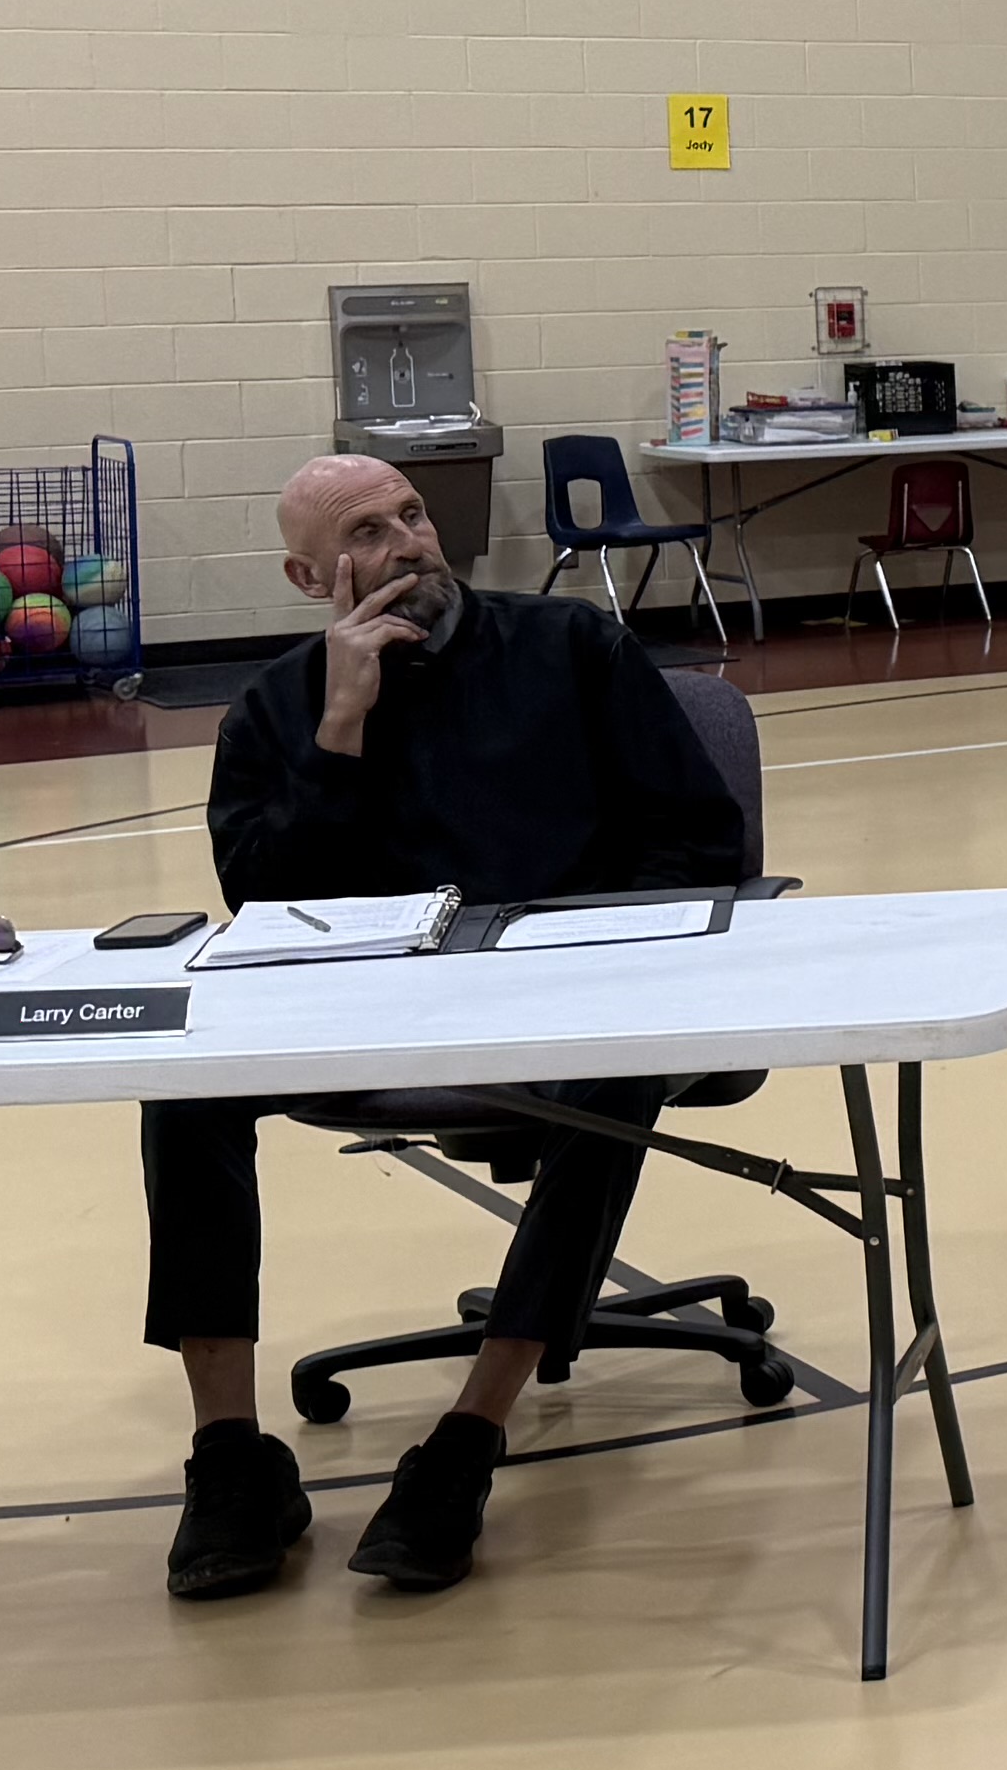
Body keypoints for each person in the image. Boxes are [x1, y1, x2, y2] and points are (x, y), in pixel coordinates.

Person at [153, 454, 751, 1601]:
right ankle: (231, 1457)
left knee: (613, 1077)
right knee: (184, 1081)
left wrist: (575, 951)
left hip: (562, 995)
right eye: (368, 534)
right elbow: (266, 905)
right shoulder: (277, 710)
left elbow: (698, 844)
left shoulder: (571, 650)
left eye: (412, 516)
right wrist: (341, 725)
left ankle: (468, 1438)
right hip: (363, 1005)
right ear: (307, 575)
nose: (410, 543)